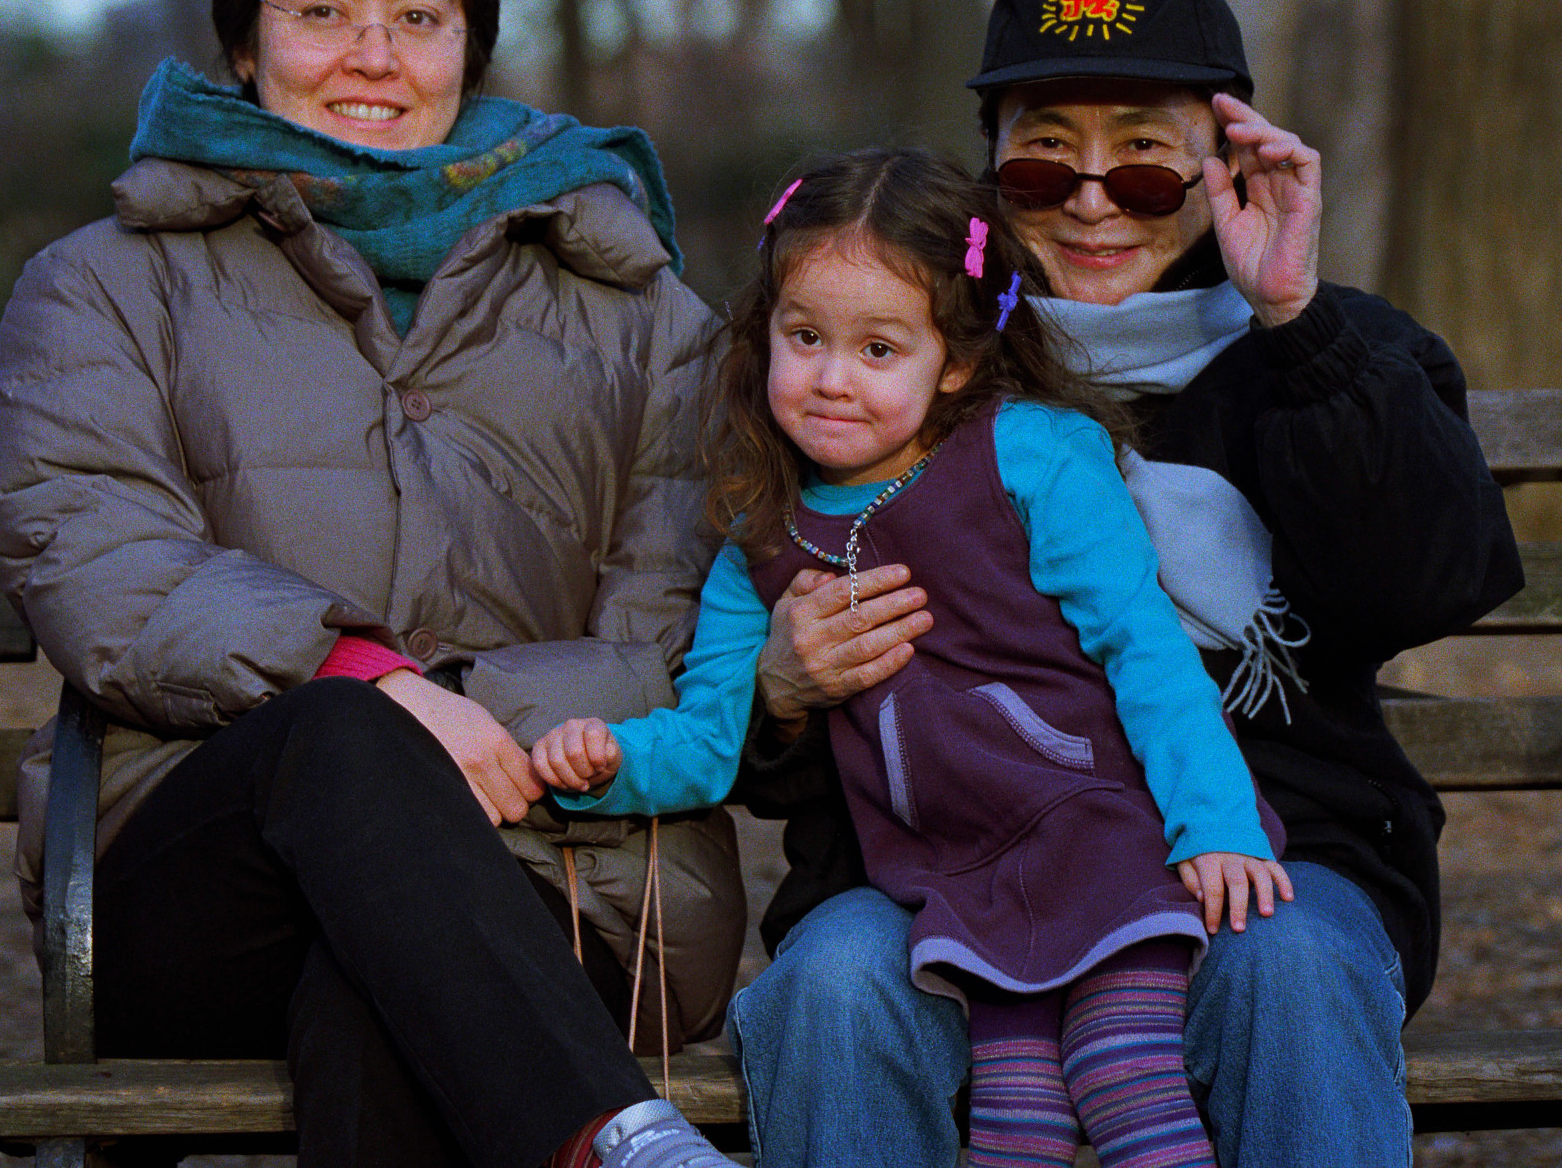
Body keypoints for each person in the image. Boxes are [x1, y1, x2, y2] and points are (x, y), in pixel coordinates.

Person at [0, 0, 746, 1168]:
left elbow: (677, 629)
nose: (372, 57)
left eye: (418, 17)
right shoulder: (103, 284)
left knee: (381, 980)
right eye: (321, 11)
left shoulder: (639, 313)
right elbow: (100, 559)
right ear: (241, 45)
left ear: (471, 47)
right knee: (336, 736)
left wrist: (455, 725)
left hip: (573, 866)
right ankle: (624, 1138)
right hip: (201, 889)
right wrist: (380, 686)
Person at [725, 0, 1525, 1168]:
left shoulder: (1319, 351)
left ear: (1218, 165)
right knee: (831, 989)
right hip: (934, 875)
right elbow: (757, 701)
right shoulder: (878, 372)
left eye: (1145, 164)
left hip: (1269, 850)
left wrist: (1294, 324)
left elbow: (1431, 579)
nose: (1092, 201)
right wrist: (776, 694)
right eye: (1047, 159)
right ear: (993, 167)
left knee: (1292, 962)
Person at [530, 146, 1293, 1167]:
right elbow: (711, 741)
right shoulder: (756, 538)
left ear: (961, 359)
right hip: (955, 886)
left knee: (1122, 1074)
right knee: (1013, 1129)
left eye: (879, 349)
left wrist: (1215, 824)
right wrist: (606, 767)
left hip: (1103, 837)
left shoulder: (1027, 455)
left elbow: (1144, 652)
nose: (832, 380)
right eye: (803, 338)